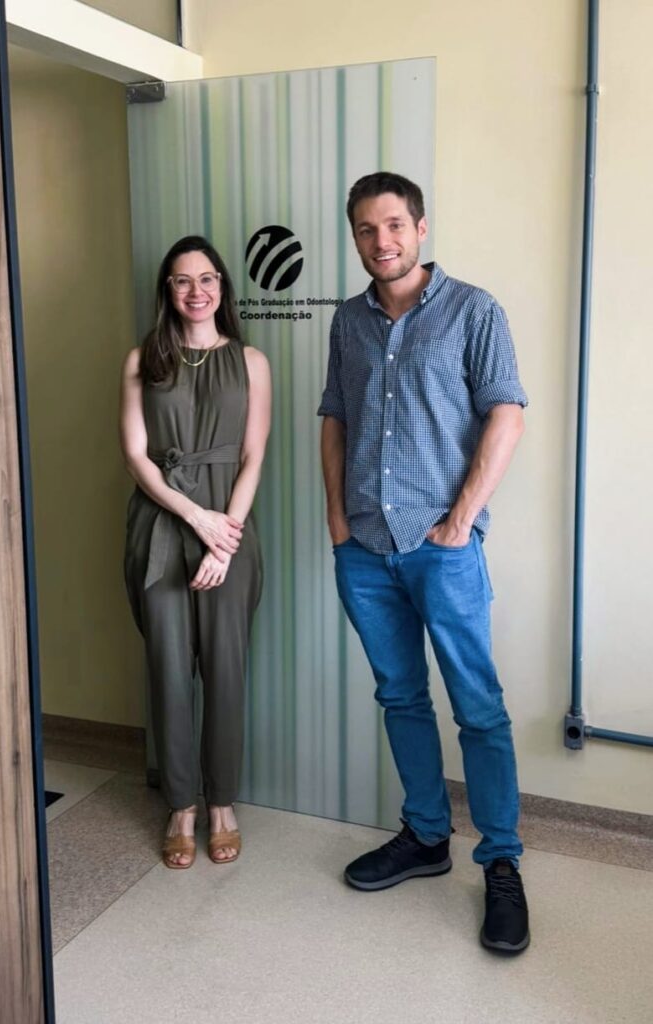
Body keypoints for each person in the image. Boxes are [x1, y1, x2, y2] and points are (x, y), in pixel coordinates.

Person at [318, 172, 529, 953]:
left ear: (420, 227)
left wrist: (460, 520)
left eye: (394, 225)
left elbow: (506, 414)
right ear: (355, 237)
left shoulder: (473, 310)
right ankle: (426, 836)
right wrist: (337, 522)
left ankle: (500, 862)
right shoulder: (348, 321)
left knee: (478, 706)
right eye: (366, 229)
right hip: (364, 551)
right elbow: (334, 418)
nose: (382, 241)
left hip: (444, 550)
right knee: (400, 698)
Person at [121, 235, 271, 869]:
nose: (196, 291)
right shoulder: (142, 359)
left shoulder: (251, 361)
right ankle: (181, 806)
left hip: (229, 533)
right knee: (167, 667)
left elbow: (253, 456)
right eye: (182, 280)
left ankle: (222, 805)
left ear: (222, 286)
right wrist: (194, 517)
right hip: (161, 526)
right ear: (168, 289)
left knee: (227, 668)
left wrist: (224, 537)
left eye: (206, 278)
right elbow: (136, 455)